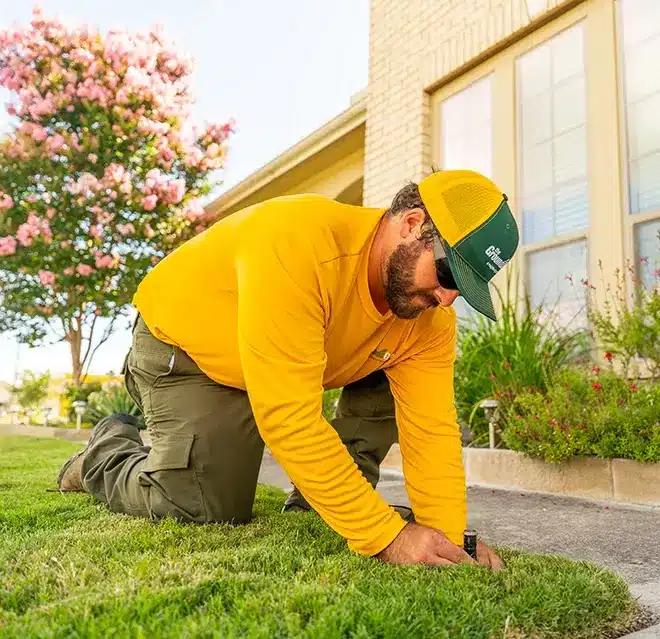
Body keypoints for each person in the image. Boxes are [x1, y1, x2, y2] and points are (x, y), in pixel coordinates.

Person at [57, 168, 518, 569]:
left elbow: (431, 430)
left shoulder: (430, 318)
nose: (448, 298)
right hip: (186, 350)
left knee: (393, 371)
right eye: (450, 275)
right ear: (413, 224)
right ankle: (105, 451)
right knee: (203, 502)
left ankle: (317, 505)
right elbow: (289, 418)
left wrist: (448, 539)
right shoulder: (299, 242)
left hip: (279, 361)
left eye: (468, 289)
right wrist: (389, 538)